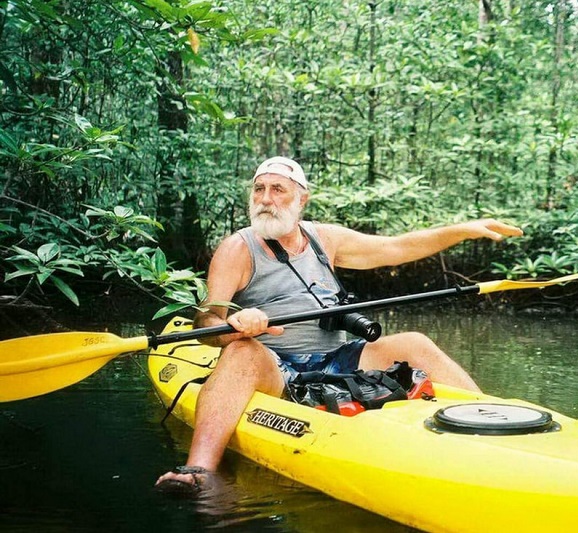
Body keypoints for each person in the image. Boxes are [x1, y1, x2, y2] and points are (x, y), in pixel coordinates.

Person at [155, 156, 523, 493]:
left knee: (414, 342)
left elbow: (396, 248)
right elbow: (207, 319)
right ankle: (198, 472)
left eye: (278, 189)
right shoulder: (237, 248)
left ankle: (492, 419)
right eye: (259, 189)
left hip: (337, 358)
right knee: (241, 353)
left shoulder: (325, 239)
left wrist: (461, 230)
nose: (266, 198)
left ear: (302, 200)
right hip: (273, 363)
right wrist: (233, 324)